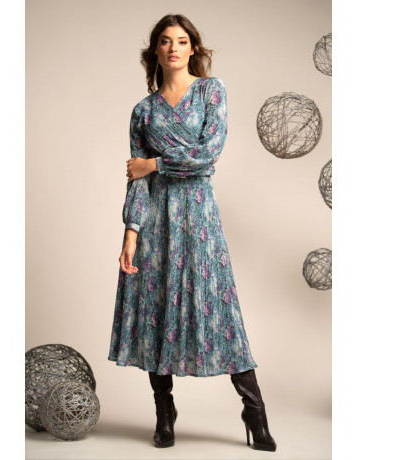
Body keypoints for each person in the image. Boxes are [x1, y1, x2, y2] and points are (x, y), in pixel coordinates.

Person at [107, 13, 276, 452]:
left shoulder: (211, 92)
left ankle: (254, 412)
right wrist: (130, 234)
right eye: (166, 41)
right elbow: (136, 181)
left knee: (220, 310)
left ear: (193, 48)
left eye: (182, 41)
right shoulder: (143, 111)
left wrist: (155, 163)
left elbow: (207, 155)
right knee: (155, 309)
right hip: (156, 222)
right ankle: (164, 413)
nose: (174, 48)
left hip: (199, 218)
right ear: (155, 50)